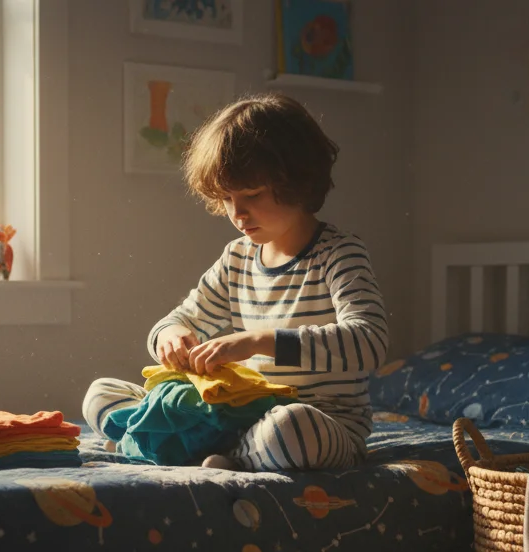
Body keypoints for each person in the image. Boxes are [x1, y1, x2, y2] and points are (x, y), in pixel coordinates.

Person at [83, 93, 388, 471]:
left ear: (298, 180)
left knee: (292, 428)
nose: (237, 213)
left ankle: (192, 450)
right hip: (240, 413)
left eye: (252, 195)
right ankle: (183, 445)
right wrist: (171, 337)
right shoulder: (237, 258)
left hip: (320, 422)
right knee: (101, 393)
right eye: (226, 198)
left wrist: (260, 341)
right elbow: (175, 321)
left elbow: (369, 343)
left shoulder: (339, 254)